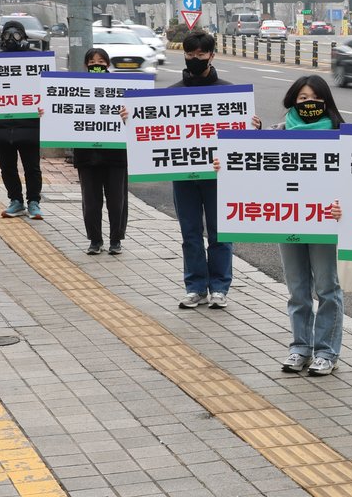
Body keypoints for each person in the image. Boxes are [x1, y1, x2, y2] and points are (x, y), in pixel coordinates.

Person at [126, 31, 235, 310]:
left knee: (220, 231)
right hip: (183, 174)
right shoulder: (170, 94)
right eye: (190, 54)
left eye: (200, 54)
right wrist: (132, 118)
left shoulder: (229, 93)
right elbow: (151, 131)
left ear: (212, 55)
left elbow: (241, 136)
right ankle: (196, 287)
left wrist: (253, 126)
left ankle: (220, 287)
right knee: (190, 232)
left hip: (218, 175)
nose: (195, 59)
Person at [273, 76, 346, 376]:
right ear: (293, 101)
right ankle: (300, 347)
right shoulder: (276, 134)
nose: (308, 104)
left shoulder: (342, 135)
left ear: (326, 103)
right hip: (288, 217)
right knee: (297, 287)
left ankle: (327, 351)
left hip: (324, 220)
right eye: (302, 99)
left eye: (315, 98)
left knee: (327, 286)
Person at [0, 21, 44, 220]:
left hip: (29, 124)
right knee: (7, 167)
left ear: (24, 36)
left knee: (32, 167)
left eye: (16, 35)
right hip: (1, 126)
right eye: (7, 35)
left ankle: (34, 202)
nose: (11, 38)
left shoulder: (36, 61)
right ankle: (16, 201)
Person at [76, 48, 129, 254]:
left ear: (108, 64)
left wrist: (128, 115)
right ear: (85, 65)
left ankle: (116, 240)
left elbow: (137, 116)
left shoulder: (121, 88)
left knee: (117, 201)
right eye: (91, 61)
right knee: (91, 201)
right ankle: (95, 240)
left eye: (100, 61)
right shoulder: (76, 88)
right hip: (86, 155)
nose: (95, 64)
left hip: (116, 155)